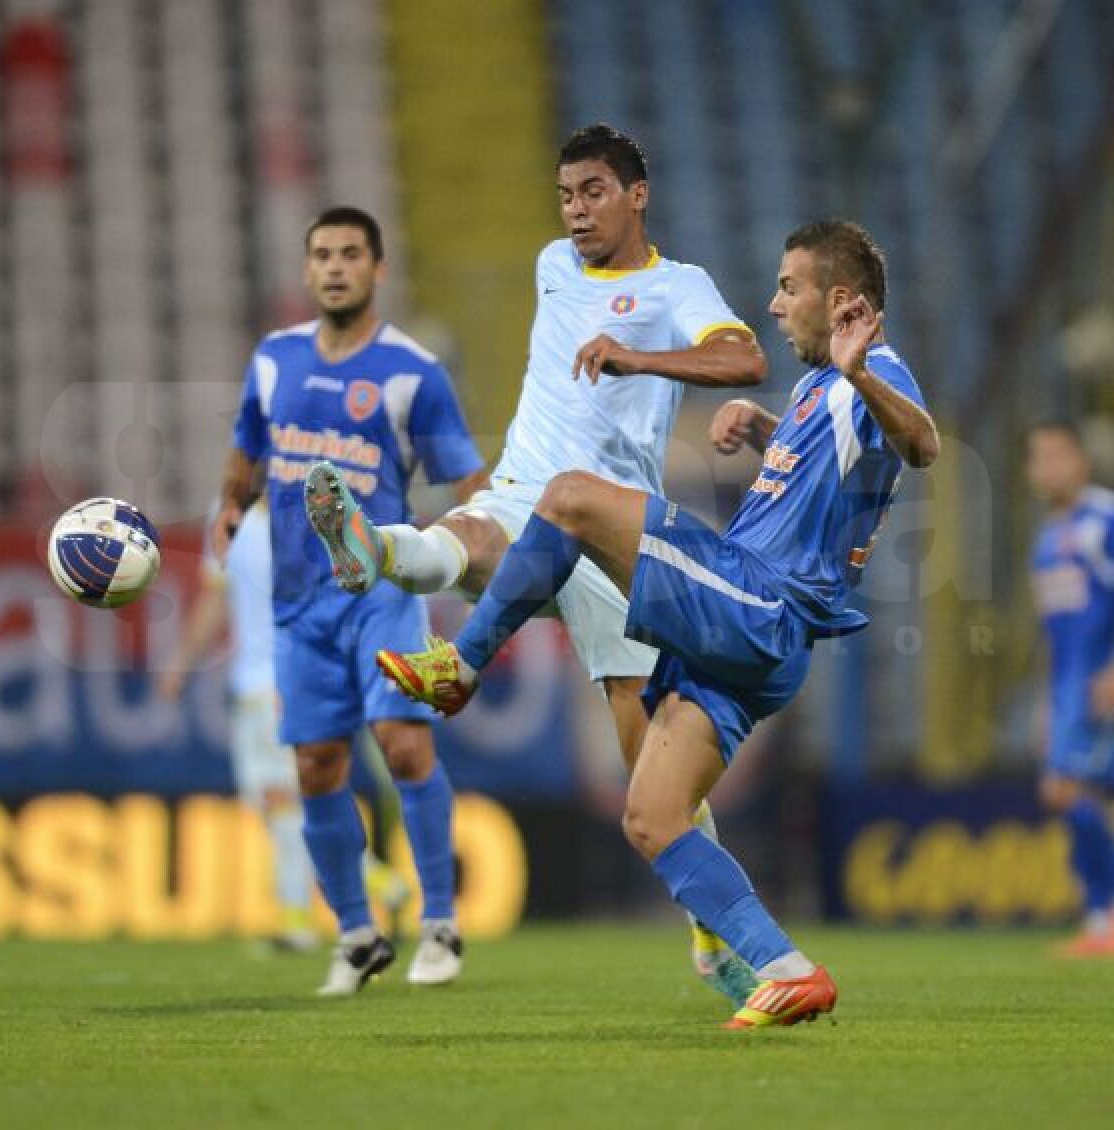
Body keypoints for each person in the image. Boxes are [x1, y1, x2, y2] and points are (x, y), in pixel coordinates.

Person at [373, 220, 939, 1028]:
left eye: (789, 286)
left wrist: (860, 372)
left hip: (757, 600)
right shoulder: (823, 390)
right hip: (768, 643)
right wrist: (766, 432)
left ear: (841, 300)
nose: (774, 304)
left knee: (568, 495)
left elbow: (921, 444)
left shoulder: (871, 369)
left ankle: (459, 667)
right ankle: (787, 968)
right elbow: (840, 481)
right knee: (652, 815)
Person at [304, 123, 767, 1007]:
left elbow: (744, 356)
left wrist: (638, 356)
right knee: (468, 541)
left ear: (638, 194)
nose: (576, 210)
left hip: (608, 525)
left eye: (593, 191)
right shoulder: (554, 263)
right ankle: (373, 547)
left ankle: (712, 936)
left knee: (652, 780)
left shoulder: (678, 287)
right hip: (526, 490)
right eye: (565, 194)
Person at [212, 206, 487, 995]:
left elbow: (469, 486)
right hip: (298, 606)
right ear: (307, 271)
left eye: (350, 254)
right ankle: (357, 936)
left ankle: (440, 923)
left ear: (377, 269)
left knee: (404, 747)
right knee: (317, 765)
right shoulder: (273, 361)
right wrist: (232, 507)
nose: (335, 267)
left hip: (377, 598)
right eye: (322, 255)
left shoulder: (411, 374)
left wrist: (455, 559)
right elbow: (246, 453)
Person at [157, 499, 411, 953]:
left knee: (285, 800)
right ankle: (369, 875)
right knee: (275, 802)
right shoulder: (227, 512)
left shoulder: (303, 515)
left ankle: (301, 917)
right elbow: (218, 597)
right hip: (250, 681)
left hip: (286, 679)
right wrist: (183, 661)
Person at [1026, 421, 1114, 956]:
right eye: (1039, 457)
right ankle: (1101, 917)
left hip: (1102, 684)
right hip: (1068, 692)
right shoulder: (1046, 539)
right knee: (1069, 792)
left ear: (1083, 461)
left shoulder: (1102, 520)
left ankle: (1104, 917)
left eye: (1059, 455)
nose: (1049, 467)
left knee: (1071, 790)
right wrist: (1051, 703)